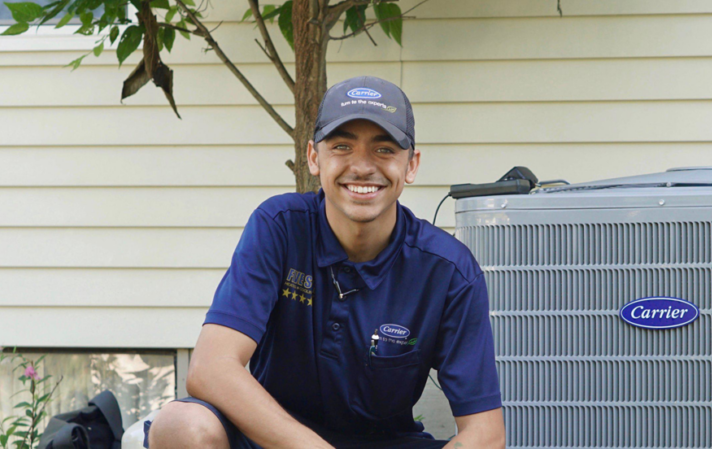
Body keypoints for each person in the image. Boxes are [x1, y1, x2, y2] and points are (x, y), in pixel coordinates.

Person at [147, 76, 505, 449]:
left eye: (383, 150)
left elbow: (486, 434)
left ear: (411, 165)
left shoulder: (449, 271)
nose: (363, 167)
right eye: (342, 146)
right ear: (314, 158)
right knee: (180, 426)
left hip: (385, 442)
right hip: (270, 437)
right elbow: (209, 369)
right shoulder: (279, 227)